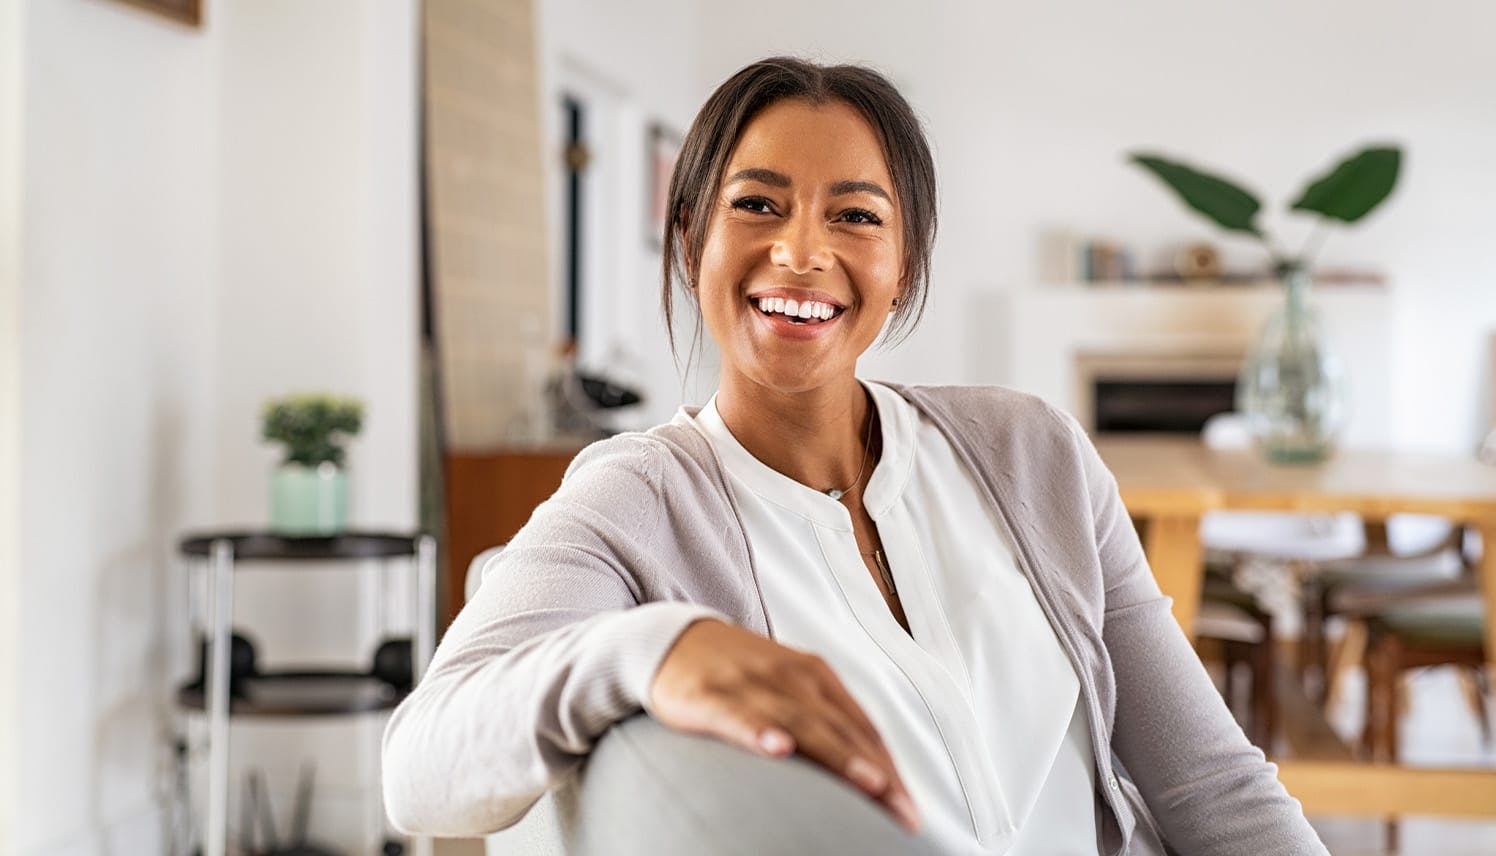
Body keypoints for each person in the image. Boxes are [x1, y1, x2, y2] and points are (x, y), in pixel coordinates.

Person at [382, 56, 1329, 855]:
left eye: (856, 216)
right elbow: (418, 770)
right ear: (689, 241)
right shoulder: (637, 498)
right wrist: (656, 647)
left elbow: (1213, 786)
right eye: (757, 204)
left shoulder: (1034, 453)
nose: (800, 252)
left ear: (905, 263)